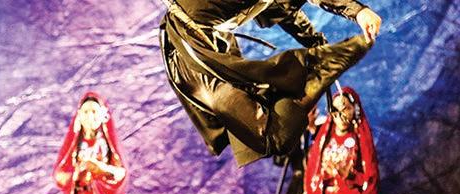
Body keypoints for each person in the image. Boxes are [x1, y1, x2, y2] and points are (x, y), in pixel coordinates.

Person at [160, 0, 382, 166]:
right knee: (271, 136)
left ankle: (311, 72)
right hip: (195, 50)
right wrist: (356, 12)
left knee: (272, 136)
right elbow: (283, 10)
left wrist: (350, 17)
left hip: (203, 47)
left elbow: (283, 10)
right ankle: (310, 73)